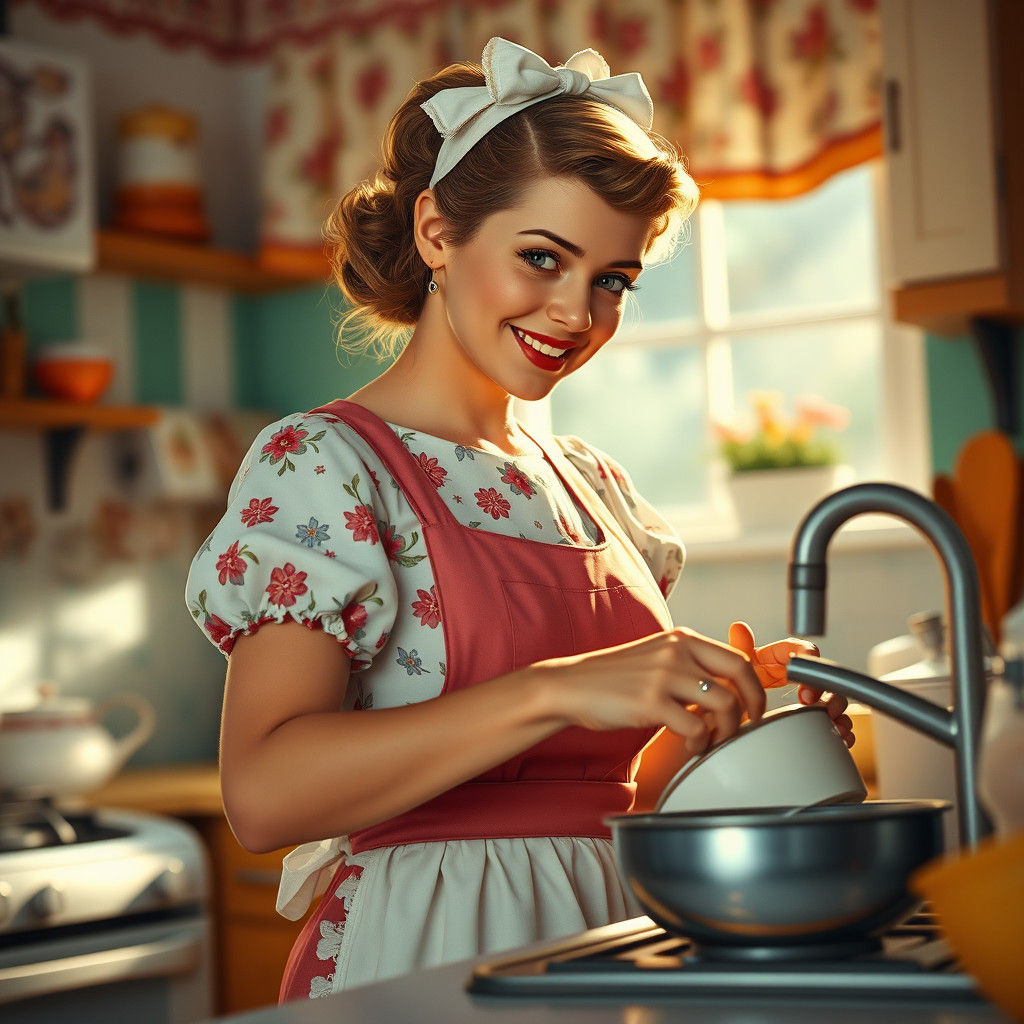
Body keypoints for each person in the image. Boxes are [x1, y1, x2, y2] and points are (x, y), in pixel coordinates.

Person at [184, 37, 854, 1002]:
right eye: (542, 257)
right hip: (422, 953)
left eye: (612, 279)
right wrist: (557, 687)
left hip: (616, 935)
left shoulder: (592, 484)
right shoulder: (325, 468)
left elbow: (611, 794)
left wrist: (722, 721)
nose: (576, 312)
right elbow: (264, 795)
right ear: (437, 234)